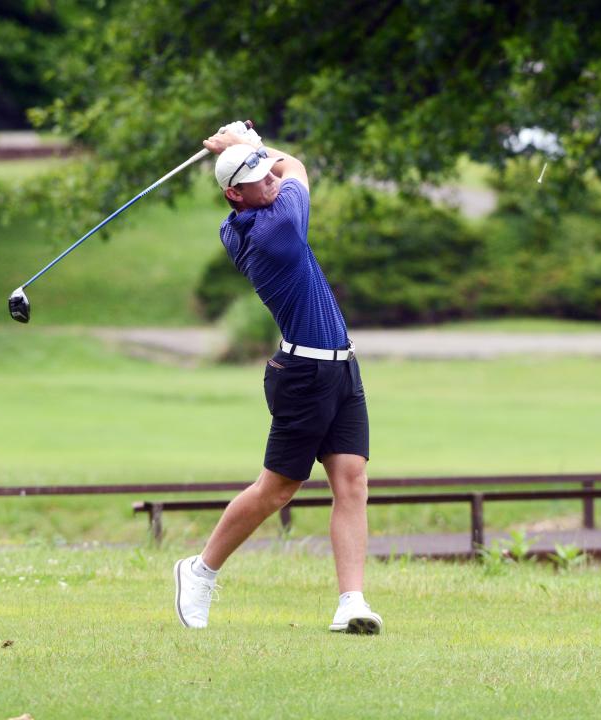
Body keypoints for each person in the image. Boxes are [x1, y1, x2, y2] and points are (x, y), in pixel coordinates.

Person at [173, 121, 382, 634]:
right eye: (255, 177)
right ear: (233, 194)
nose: (269, 180)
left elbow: (275, 169)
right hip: (304, 375)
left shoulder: (238, 222)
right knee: (277, 490)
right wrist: (244, 143)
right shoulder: (277, 228)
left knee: (352, 481)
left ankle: (351, 602)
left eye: (267, 174)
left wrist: (245, 150)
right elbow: (297, 167)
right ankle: (199, 571)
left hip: (340, 367)